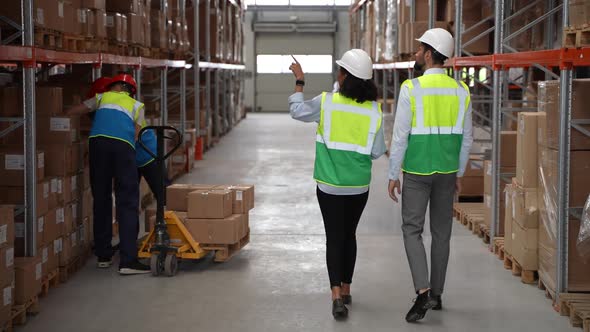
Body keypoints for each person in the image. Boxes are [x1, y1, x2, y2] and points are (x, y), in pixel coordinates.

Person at [288, 50, 386, 320]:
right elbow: (377, 151)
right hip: (358, 187)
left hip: (329, 185)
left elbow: (296, 111)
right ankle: (346, 288)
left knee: (334, 236)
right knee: (349, 235)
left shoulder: (327, 103)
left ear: (344, 76)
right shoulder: (374, 110)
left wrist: (299, 81)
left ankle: (335, 297)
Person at [387, 28, 473, 323]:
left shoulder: (411, 89)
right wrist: (459, 172)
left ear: (428, 53)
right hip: (447, 172)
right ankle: (436, 294)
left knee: (412, 229)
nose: (415, 54)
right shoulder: (462, 91)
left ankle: (422, 291)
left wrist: (392, 173)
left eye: (419, 49)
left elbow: (400, 136)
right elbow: (467, 138)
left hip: (417, 171)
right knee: (442, 234)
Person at [66, 74, 150, 275]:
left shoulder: (101, 98)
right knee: (127, 200)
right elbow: (138, 134)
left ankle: (103, 255)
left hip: (97, 144)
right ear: (129, 90)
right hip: (123, 148)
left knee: (101, 198)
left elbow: (72, 112)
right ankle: (128, 260)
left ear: (114, 86)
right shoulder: (137, 106)